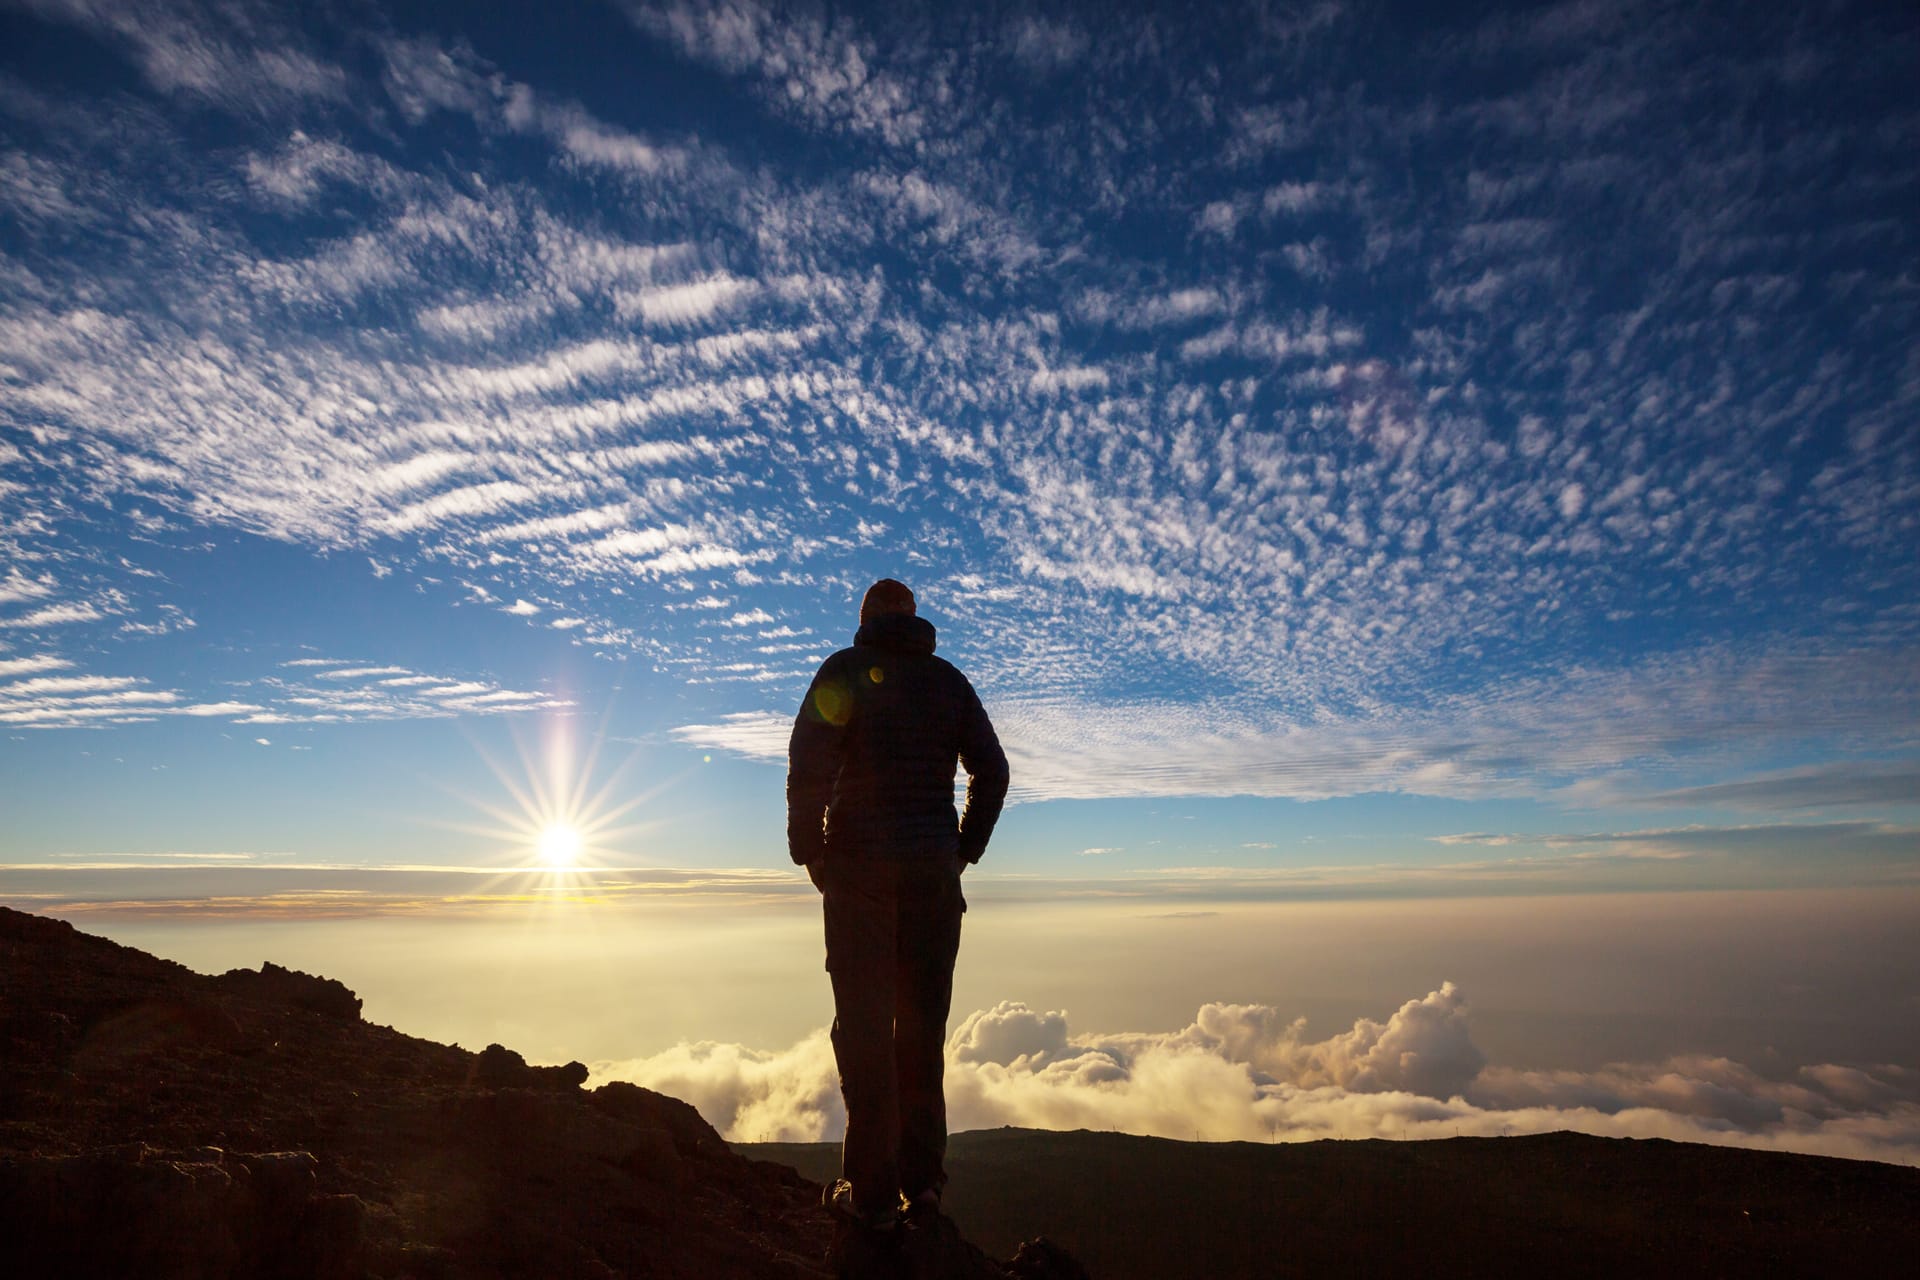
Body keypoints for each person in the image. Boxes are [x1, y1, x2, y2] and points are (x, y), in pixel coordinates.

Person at [787, 577, 1009, 1246]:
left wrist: (811, 853)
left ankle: (874, 1198)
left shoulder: (845, 671)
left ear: (864, 619)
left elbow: (808, 764)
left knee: (862, 1031)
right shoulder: (949, 683)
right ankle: (926, 1189)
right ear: (914, 620)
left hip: (859, 877)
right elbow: (992, 771)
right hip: (933, 882)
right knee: (920, 1032)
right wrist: (961, 849)